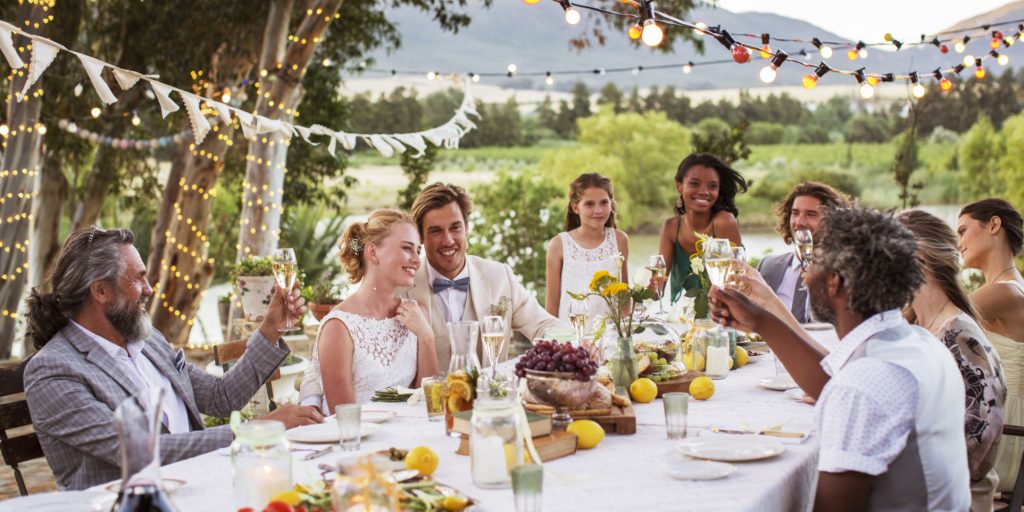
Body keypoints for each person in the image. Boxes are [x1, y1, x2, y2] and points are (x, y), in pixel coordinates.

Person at [23, 227, 323, 491]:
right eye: (138, 279)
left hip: (200, 488)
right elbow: (141, 450)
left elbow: (221, 397)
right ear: (101, 290)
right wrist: (259, 430)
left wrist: (270, 330)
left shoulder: (147, 339)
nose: (149, 289)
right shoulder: (53, 371)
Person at [710, 207, 970, 511]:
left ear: (835, 281)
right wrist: (762, 322)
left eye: (815, 262)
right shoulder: (920, 342)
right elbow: (833, 384)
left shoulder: (867, 381)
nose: (805, 275)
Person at [899, 209, 1006, 511]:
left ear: (919, 258)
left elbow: (979, 447)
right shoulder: (913, 324)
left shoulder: (960, 335)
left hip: (952, 497)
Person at [407, 182, 568, 370]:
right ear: (420, 236)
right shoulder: (403, 284)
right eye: (436, 231)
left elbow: (543, 324)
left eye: (455, 228)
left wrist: (574, 344)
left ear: (467, 227)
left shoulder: (499, 276)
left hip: (487, 398)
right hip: (427, 399)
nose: (448, 240)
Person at [299, 210, 439, 411]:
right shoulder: (338, 328)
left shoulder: (417, 314)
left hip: (409, 437)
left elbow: (428, 404)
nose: (417, 260)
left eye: (418, 250)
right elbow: (345, 420)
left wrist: (426, 337)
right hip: (355, 439)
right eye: (407, 248)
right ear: (373, 252)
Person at [957, 198, 1024, 496]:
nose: (958, 242)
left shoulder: (1004, 293)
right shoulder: (1008, 287)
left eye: (962, 231)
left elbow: (927, 323)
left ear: (994, 225)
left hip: (1005, 439)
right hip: (996, 424)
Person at [659, 153, 747, 304]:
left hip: (721, 317)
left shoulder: (724, 222)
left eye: (712, 186)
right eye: (694, 183)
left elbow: (736, 286)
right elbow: (656, 292)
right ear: (679, 186)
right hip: (681, 319)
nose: (704, 191)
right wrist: (648, 285)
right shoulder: (671, 227)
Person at [757, 182, 850, 323]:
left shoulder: (845, 273)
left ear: (833, 221)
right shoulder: (768, 266)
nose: (799, 222)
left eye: (811, 214)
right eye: (795, 213)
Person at [545, 172, 629, 321]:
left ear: (611, 203)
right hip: (572, 339)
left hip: (611, 338)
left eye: (604, 202)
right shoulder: (558, 245)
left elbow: (624, 298)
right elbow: (551, 305)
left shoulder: (620, 240)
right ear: (576, 207)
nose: (598, 210)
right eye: (589, 204)